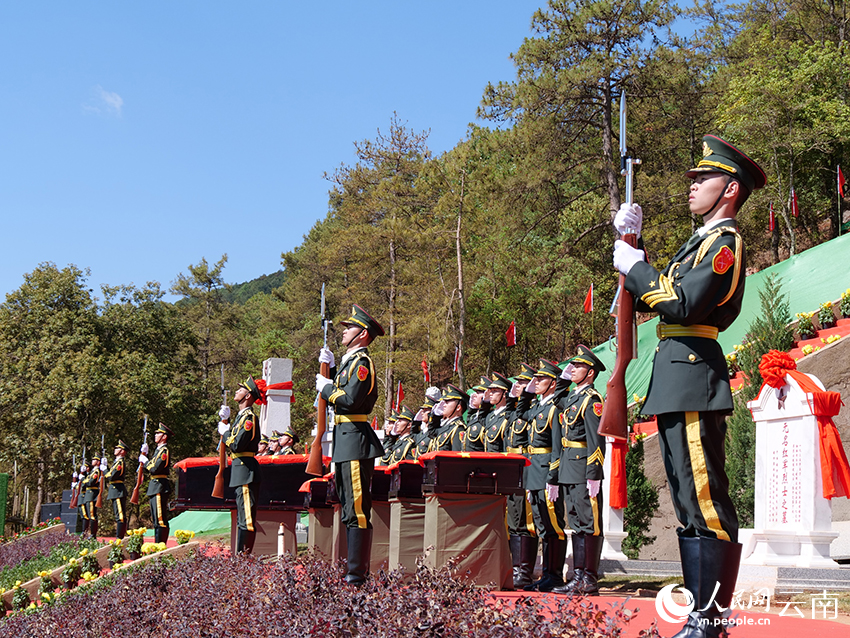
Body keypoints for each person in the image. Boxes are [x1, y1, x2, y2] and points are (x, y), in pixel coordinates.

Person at [612, 135, 765, 637]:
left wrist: (637, 266)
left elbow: (681, 304)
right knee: (686, 501)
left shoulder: (725, 245)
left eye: (703, 178)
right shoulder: (697, 243)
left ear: (730, 189)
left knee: (706, 499)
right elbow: (658, 296)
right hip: (677, 372)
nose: (693, 185)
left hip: (696, 373)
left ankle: (711, 618)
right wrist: (637, 249)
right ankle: (702, 616)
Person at [316, 304, 385, 586]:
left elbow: (349, 400)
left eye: (349, 327)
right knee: (347, 507)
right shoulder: (349, 362)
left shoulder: (362, 364)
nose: (344, 331)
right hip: (345, 440)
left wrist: (326, 387)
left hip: (356, 440)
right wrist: (331, 369)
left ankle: (357, 576)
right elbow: (342, 392)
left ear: (362, 334)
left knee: (357, 508)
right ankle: (350, 570)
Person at [548, 345, 606, 596]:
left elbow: (596, 439)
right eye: (572, 366)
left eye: (578, 366)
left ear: (590, 373)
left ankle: (589, 578)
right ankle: (578, 575)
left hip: (584, 467)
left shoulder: (592, 400)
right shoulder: (572, 398)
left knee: (589, 523)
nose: (572, 370)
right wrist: (563, 377)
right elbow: (557, 398)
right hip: (569, 468)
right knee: (577, 523)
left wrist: (594, 472)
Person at [513, 359, 570, 592]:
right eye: (534, 380)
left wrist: (553, 476)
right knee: (541, 526)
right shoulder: (538, 407)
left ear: (552, 383)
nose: (535, 383)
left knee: (553, 525)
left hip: (547, 470)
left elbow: (558, 445)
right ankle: (546, 574)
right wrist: (526, 392)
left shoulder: (554, 408)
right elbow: (520, 412)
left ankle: (554, 575)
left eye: (541, 380)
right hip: (534, 471)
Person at [503, 362, 538, 588]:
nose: (519, 387)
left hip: (527, 466)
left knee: (526, 522)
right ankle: (514, 568)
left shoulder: (533, 410)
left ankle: (524, 571)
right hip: (511, 467)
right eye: (518, 383)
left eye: (524, 383)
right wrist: (512, 396)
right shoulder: (516, 411)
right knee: (513, 520)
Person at [139, 423, 172, 544]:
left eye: (158, 433)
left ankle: (160, 546)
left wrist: (145, 460)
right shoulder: (157, 451)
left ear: (164, 437)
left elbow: (154, 468)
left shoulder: (164, 451)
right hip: (155, 485)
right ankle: (157, 545)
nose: (155, 435)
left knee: (160, 519)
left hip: (160, 486)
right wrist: (145, 455)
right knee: (155, 520)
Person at [428, 384, 467, 452]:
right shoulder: (446, 426)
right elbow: (431, 432)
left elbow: (456, 455)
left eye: (447, 402)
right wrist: (436, 415)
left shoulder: (458, 428)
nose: (443, 405)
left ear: (458, 407)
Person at [483, 372, 511, 453]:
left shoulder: (507, 416)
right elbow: (480, 418)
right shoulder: (490, 415)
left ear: (504, 394)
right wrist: (485, 402)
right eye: (490, 391)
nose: (491, 394)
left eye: (495, 391)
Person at [106, 440, 129, 539]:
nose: (115, 449)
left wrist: (104, 469)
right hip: (115, 490)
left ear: (122, 451)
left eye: (117, 448)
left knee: (120, 515)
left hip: (118, 490)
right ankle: (120, 536)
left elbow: (111, 476)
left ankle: (120, 537)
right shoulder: (116, 462)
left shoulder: (120, 462)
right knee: (118, 514)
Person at [462, 378, 489, 452]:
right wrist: (471, 408)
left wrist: (485, 404)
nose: (474, 395)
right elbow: (468, 420)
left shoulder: (488, 418)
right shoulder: (474, 416)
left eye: (479, 392)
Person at [81, 457, 101, 537]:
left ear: (98, 462)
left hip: (92, 494)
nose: (92, 461)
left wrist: (82, 478)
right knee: (90, 515)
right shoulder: (92, 471)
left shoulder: (96, 471)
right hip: (89, 495)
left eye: (94, 460)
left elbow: (90, 483)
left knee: (92, 515)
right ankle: (90, 533)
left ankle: (93, 534)